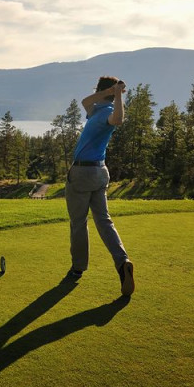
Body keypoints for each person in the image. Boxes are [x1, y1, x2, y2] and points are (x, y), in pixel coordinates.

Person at [65, 76, 134, 297]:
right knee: (104, 221)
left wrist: (113, 94)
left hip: (83, 172)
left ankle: (78, 269)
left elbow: (119, 120)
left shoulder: (105, 112)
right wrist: (111, 92)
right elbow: (85, 101)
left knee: (78, 222)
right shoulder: (96, 108)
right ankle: (122, 262)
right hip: (99, 172)